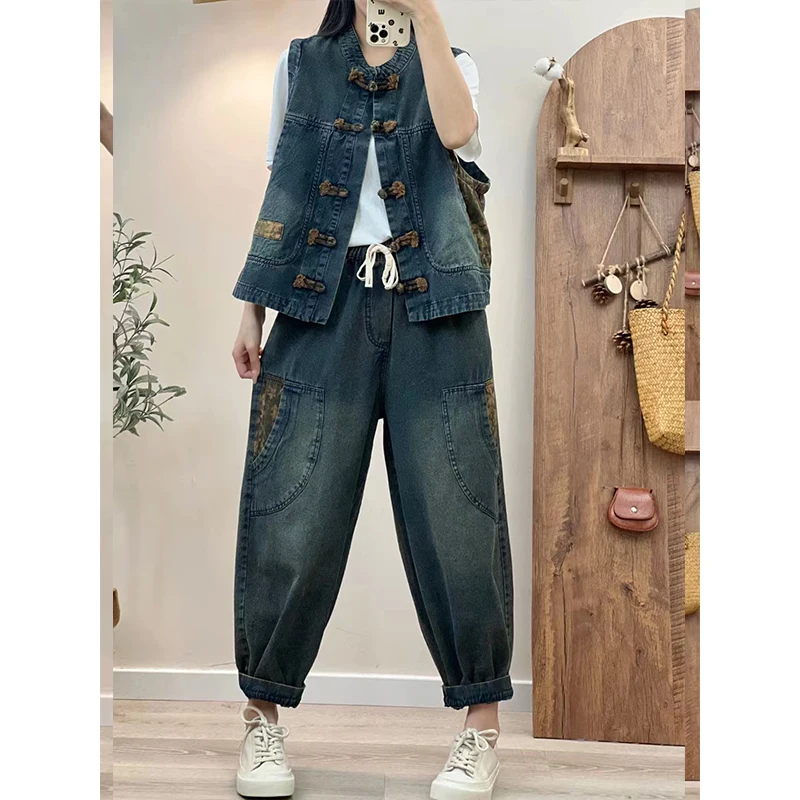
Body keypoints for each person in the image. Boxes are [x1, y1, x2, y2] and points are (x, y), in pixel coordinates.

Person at [230, 1, 513, 797]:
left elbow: (457, 134)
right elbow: (285, 185)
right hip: (319, 303)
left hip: (438, 307)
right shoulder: (297, 65)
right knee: (293, 509)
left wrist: (426, 17)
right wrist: (251, 305)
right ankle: (260, 721)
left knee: (459, 511)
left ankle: (480, 729)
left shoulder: (453, 61)